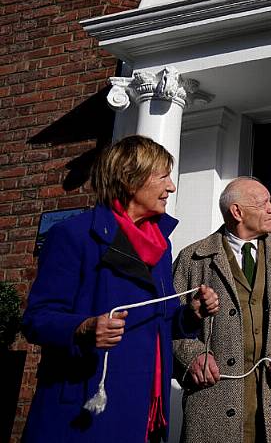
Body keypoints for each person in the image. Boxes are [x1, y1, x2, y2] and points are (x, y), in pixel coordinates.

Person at [21, 135, 219, 443]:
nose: (172, 186)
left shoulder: (160, 245)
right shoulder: (73, 235)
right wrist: (84, 328)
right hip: (87, 408)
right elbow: (37, 319)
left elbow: (156, 322)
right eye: (163, 176)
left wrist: (190, 315)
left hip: (146, 407)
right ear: (130, 180)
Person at [172, 176, 271, 443]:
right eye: (264, 203)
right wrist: (191, 356)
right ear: (237, 212)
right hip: (211, 405)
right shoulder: (192, 258)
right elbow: (166, 324)